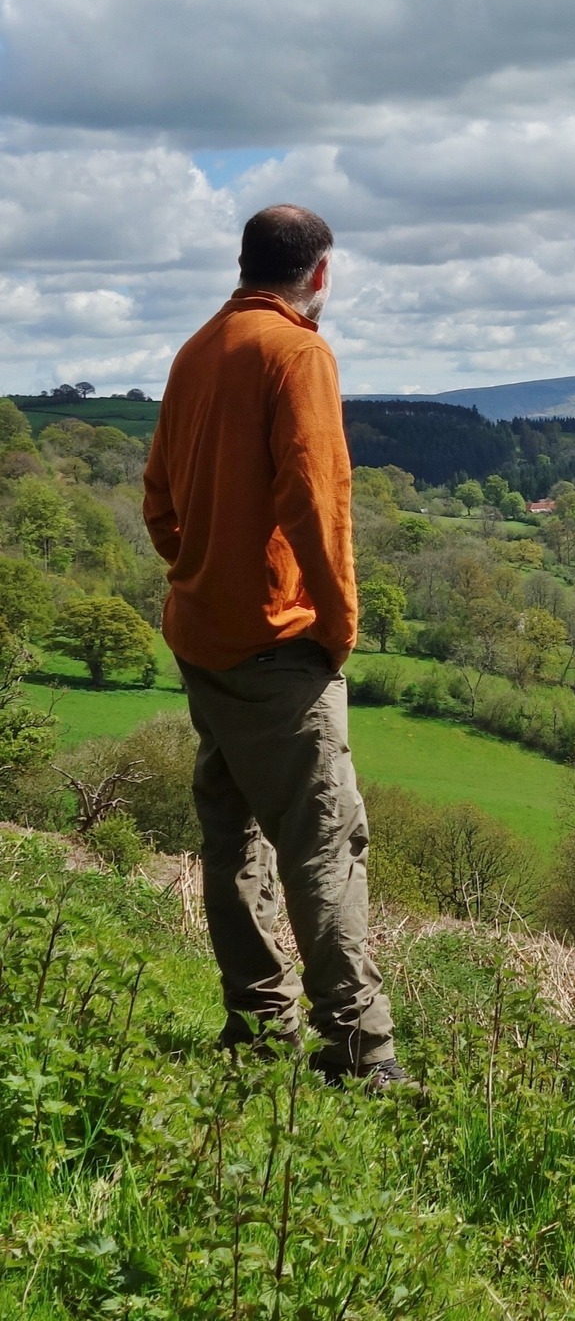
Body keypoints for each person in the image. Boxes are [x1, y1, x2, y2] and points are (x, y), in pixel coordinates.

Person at [143, 203, 407, 1088]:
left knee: (233, 834)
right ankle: (360, 1058)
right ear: (319, 274)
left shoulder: (196, 350)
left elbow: (159, 502)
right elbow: (318, 504)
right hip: (277, 646)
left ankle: (258, 1028)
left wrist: (205, 572)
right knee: (325, 843)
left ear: (247, 261)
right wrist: (337, 629)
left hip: (202, 637)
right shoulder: (297, 351)